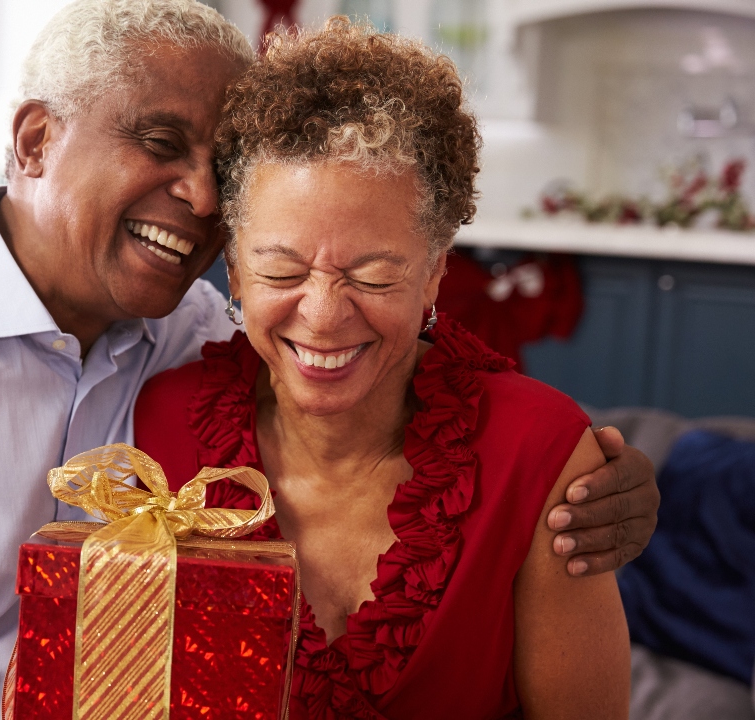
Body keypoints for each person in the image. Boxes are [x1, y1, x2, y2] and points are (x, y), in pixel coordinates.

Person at [0, 2, 655, 717]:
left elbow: (373, 351)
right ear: (32, 141)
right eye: (160, 143)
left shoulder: (196, 343)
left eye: (221, 168)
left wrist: (598, 471)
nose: (201, 199)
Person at [135, 20, 631, 719]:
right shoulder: (158, 426)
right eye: (282, 269)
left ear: (433, 277)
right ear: (235, 272)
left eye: (372, 275)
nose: (325, 314)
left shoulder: (541, 452)